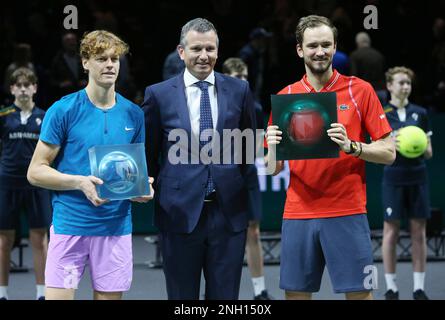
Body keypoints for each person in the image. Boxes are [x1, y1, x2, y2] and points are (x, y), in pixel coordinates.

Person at [265, 15, 396, 300]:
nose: (320, 51)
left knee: (361, 295)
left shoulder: (360, 90)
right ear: (300, 50)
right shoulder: (286, 96)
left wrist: (353, 147)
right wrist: (272, 148)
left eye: (326, 44)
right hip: (299, 212)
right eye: (312, 45)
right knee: (296, 295)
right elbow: (272, 168)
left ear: (335, 47)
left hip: (347, 211)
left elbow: (389, 152)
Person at [27, 30, 153, 300]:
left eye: (114, 59)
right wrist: (79, 182)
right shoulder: (63, 110)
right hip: (71, 229)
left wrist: (141, 190)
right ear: (85, 62)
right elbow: (35, 171)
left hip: (114, 231)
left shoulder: (134, 114)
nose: (110, 64)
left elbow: (133, 174)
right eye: (101, 58)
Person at [142, 18, 256, 300]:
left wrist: (227, 180)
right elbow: (149, 153)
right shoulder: (158, 94)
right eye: (196, 49)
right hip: (178, 213)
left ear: (218, 50)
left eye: (210, 48)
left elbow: (248, 148)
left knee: (225, 299)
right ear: (181, 52)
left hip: (228, 213)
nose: (204, 56)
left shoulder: (240, 90)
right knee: (182, 298)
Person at [221, 57, 272, 300]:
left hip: (247, 175)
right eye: (236, 77)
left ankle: (260, 290)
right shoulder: (214, 106)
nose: (242, 81)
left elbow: (255, 147)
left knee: (253, 233)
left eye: (244, 77)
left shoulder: (257, 108)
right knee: (219, 235)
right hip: (221, 178)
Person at [381, 66, 433, 300]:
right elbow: (377, 148)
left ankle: (418, 288)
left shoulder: (420, 113)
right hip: (393, 177)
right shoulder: (382, 113)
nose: (405, 87)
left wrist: (420, 144)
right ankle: (391, 287)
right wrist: (390, 141)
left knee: (418, 232)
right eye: (401, 83)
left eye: (408, 83)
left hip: (417, 176)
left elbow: (429, 152)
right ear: (390, 86)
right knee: (390, 232)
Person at [0, 67, 51, 300]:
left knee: (39, 239)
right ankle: (2, 293)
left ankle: (42, 293)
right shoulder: (3, 116)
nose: (22, 89)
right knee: (3, 240)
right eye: (18, 85)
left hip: (36, 185)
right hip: (7, 184)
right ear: (12, 89)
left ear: (34, 88)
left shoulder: (45, 116)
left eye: (27, 85)